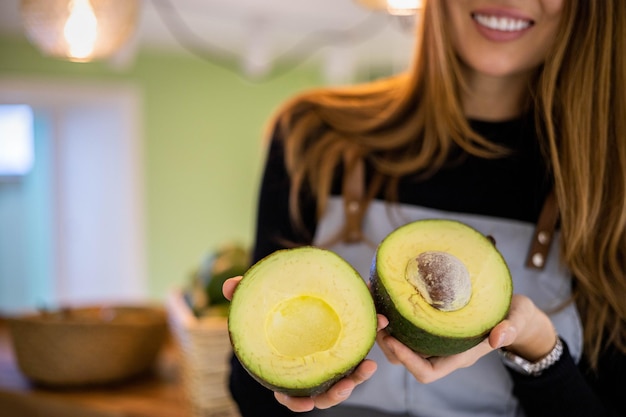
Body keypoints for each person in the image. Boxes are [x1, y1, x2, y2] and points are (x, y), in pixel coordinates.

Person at [223, 1, 626, 416]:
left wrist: (539, 350)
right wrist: (284, 377)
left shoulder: (611, 182)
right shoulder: (313, 134)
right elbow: (250, 392)